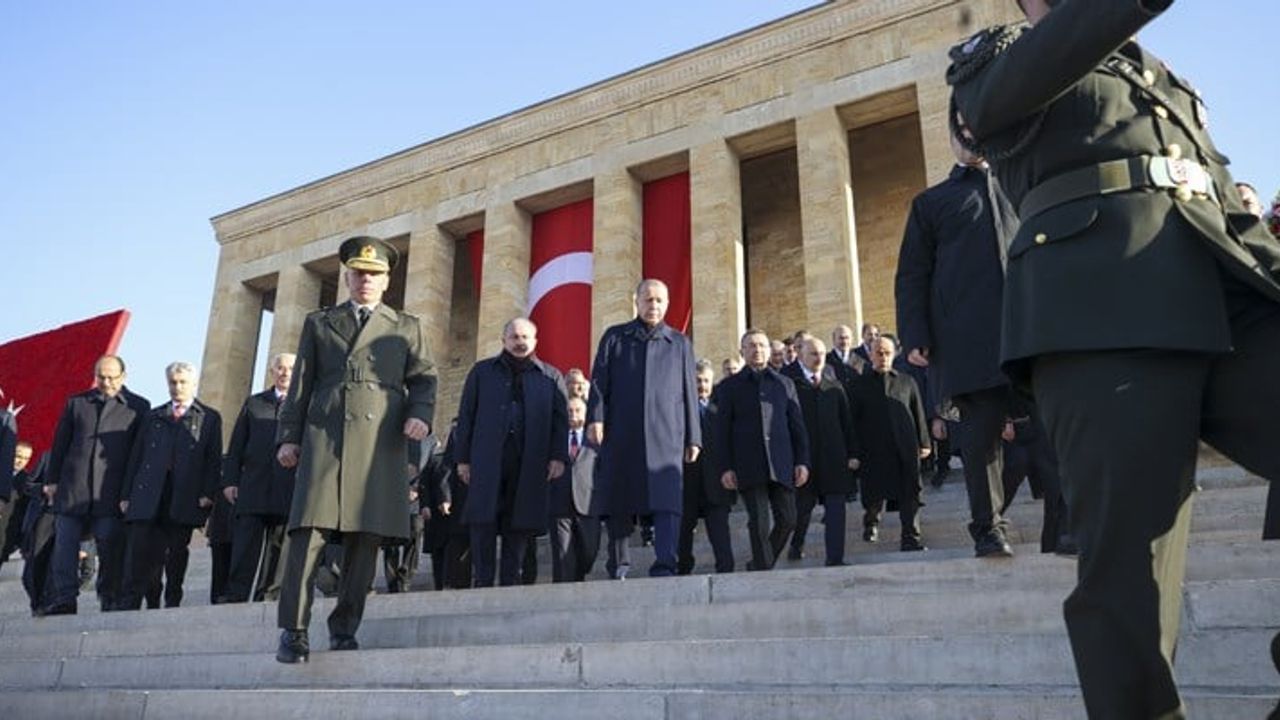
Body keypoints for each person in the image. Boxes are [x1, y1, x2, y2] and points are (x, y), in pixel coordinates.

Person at [949, 2, 1280, 715]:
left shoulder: (1163, 76)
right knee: (1130, 574)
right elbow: (988, 107)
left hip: (1224, 293)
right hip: (1101, 306)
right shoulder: (1002, 50)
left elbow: (1225, 200)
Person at [274, 235, 436, 663]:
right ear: (347, 277)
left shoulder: (406, 326)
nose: (366, 280)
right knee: (307, 534)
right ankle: (293, 629)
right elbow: (301, 385)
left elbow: (424, 378)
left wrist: (420, 413)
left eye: (374, 274)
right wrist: (289, 436)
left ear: (387, 281)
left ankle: (345, 628)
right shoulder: (319, 322)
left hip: (380, 440)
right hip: (325, 435)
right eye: (359, 273)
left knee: (365, 540)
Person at [895, 132, 1018, 559]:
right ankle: (989, 529)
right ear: (951, 142)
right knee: (981, 443)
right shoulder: (932, 203)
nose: (970, 139)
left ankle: (1072, 522)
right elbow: (912, 274)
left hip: (1032, 331)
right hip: (969, 341)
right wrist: (915, 334)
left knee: (1056, 429)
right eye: (960, 134)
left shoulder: (1021, 183)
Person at [588, 278, 700, 579]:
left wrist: (694, 436)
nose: (654, 306)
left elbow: (690, 392)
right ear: (636, 302)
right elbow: (598, 381)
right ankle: (619, 565)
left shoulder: (679, 343)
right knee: (619, 499)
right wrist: (596, 418)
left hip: (667, 434)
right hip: (621, 431)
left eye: (659, 301)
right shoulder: (615, 337)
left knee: (668, 502)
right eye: (648, 300)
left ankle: (666, 563)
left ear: (667, 304)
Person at [453, 317, 567, 587]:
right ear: (504, 340)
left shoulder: (550, 376)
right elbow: (466, 416)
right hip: (487, 459)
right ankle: (482, 579)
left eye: (525, 337)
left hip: (529, 461)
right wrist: (462, 459)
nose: (520, 342)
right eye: (514, 337)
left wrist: (558, 456)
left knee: (520, 520)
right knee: (483, 519)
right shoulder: (482, 372)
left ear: (535, 341)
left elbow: (559, 422)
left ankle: (510, 579)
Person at [42, 355, 150, 614]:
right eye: (101, 376)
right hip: (73, 487)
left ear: (123, 376)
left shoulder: (138, 407)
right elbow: (60, 444)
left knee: (110, 546)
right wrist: (52, 480)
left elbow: (139, 454)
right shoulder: (77, 403)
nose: (106, 382)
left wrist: (130, 492)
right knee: (64, 547)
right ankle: (65, 598)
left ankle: (109, 596)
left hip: (110, 493)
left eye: (112, 377)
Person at [117, 362, 222, 610]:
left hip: (184, 495)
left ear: (193, 383)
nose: (177, 387)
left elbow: (213, 458)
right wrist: (126, 494)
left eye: (183, 382)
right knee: (142, 551)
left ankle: (173, 597)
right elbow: (137, 456)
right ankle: (138, 599)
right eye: (173, 382)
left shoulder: (209, 417)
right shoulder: (153, 416)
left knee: (176, 552)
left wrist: (208, 493)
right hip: (149, 494)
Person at [712, 329, 809, 571]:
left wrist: (802, 461)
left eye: (762, 346)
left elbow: (797, 427)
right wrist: (725, 467)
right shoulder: (728, 387)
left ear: (769, 350)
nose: (758, 350)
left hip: (781, 462)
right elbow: (720, 432)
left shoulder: (784, 384)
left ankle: (758, 564)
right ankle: (764, 572)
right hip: (748, 463)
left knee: (788, 519)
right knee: (759, 522)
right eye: (752, 346)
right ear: (742, 351)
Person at [221, 353, 297, 603]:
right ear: (272, 372)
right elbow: (236, 445)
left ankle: (268, 596)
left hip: (287, 487)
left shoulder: (303, 405)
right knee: (244, 546)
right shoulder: (254, 403)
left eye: (290, 369)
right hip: (253, 485)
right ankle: (236, 595)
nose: (285, 373)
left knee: (278, 547)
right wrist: (230, 480)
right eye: (280, 368)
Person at [848, 337, 930, 552]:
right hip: (873, 449)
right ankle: (871, 522)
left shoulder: (907, 381)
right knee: (875, 493)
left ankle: (910, 538)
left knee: (910, 493)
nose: (883, 357)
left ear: (894, 354)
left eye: (887, 352)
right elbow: (851, 421)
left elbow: (917, 412)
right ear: (870, 355)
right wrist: (854, 452)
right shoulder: (857, 385)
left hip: (905, 446)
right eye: (878, 353)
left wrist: (924, 441)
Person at [789, 339, 860, 565]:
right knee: (802, 509)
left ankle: (835, 558)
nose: (818, 358)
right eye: (813, 354)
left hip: (834, 460)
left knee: (837, 509)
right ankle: (796, 544)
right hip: (805, 461)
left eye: (821, 353)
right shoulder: (793, 386)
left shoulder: (834, 387)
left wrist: (853, 454)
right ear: (801, 356)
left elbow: (847, 424)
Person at [676, 360, 735, 575]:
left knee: (720, 531)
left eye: (706, 381)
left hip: (716, 481)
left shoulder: (721, 407)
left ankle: (726, 569)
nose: (702, 385)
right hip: (687, 481)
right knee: (683, 532)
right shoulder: (679, 409)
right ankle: (683, 570)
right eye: (697, 381)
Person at [549, 396, 604, 582]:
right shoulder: (554, 438)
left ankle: (578, 578)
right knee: (563, 555)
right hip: (559, 503)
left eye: (578, 410)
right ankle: (563, 593)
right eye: (569, 411)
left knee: (589, 551)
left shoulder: (595, 440)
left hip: (588, 503)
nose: (573, 414)